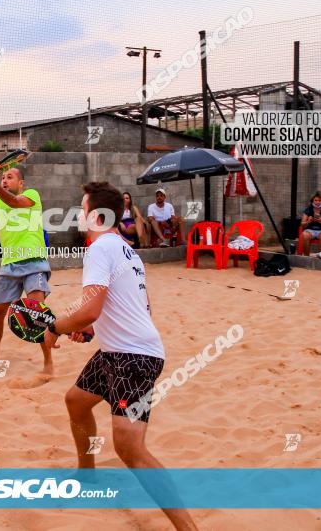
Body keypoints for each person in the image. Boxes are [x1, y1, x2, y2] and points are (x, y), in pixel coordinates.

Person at [44, 181, 197, 531]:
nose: (79, 216)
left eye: (82, 210)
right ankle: (87, 475)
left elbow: (89, 311)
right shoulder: (127, 250)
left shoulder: (100, 249)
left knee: (130, 448)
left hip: (134, 357)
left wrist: (57, 328)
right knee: (76, 401)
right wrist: (93, 328)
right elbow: (134, 306)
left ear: (96, 215)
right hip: (118, 351)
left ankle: (187, 527)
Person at [0, 166, 52, 375]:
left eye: (10, 177)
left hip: (34, 262)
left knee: (36, 313)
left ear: (21, 183)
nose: (5, 180)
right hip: (9, 265)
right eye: (3, 177)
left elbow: (14, 202)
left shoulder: (31, 195)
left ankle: (48, 363)